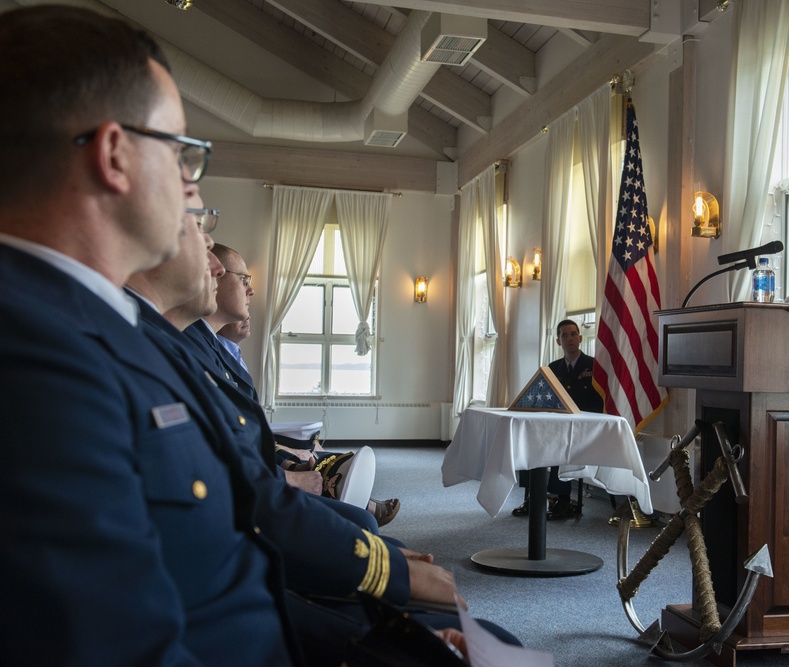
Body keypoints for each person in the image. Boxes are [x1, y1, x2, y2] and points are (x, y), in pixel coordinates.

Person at [0, 8, 506, 663]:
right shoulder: (36, 357)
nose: (192, 181)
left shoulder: (99, 325)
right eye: (181, 150)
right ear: (115, 154)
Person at [124, 198, 515, 660]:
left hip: (252, 588)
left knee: (484, 636)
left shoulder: (156, 343)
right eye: (195, 218)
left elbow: (239, 484)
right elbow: (237, 513)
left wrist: (379, 574)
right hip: (234, 617)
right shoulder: (135, 347)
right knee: (487, 643)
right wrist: (381, 578)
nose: (210, 251)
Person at [189, 242, 400, 526]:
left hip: (254, 474)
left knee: (361, 520)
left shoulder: (207, 346)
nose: (251, 290)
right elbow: (221, 445)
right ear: (214, 276)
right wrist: (286, 474)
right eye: (244, 280)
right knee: (364, 524)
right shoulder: (193, 347)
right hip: (243, 493)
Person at [513, 319, 604, 520]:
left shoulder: (594, 366)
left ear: (580, 338)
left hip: (584, 428)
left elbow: (600, 402)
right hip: (557, 425)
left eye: (573, 334)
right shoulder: (552, 369)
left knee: (561, 448)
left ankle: (563, 500)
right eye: (564, 335)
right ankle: (534, 498)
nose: (569, 339)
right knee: (530, 445)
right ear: (557, 341)